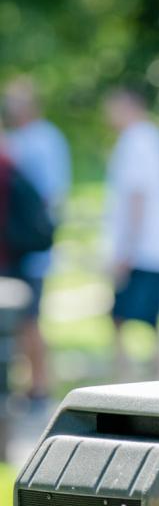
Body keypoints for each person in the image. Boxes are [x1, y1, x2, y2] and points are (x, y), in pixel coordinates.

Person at [2, 77, 71, 408]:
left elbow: (49, 195)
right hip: (18, 245)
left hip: (30, 245)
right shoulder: (21, 139)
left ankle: (40, 386)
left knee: (30, 318)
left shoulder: (43, 140)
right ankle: (27, 384)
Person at [104, 85, 159, 381]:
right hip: (156, 247)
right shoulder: (155, 140)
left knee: (122, 318)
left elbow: (137, 197)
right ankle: (153, 379)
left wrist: (125, 250)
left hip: (140, 249)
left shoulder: (135, 141)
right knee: (151, 319)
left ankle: (124, 379)